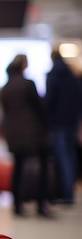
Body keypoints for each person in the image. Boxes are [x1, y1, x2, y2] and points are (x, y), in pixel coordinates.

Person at [0, 54, 51, 217]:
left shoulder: (6, 87)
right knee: (43, 164)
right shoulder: (28, 84)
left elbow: (5, 111)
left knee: (18, 167)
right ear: (23, 66)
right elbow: (39, 108)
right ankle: (41, 204)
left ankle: (17, 204)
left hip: (14, 133)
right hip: (32, 132)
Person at [45, 49, 81, 205]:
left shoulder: (52, 76)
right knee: (71, 157)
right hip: (71, 122)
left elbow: (49, 102)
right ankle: (69, 190)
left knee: (61, 157)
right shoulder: (72, 76)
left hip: (57, 123)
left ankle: (65, 193)